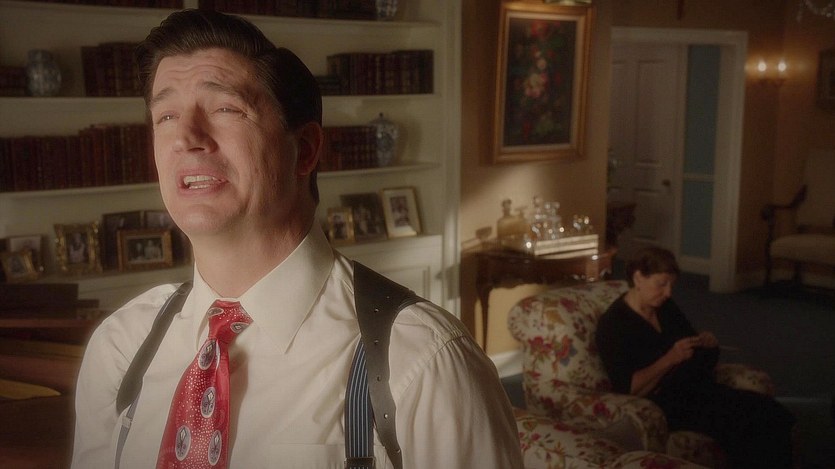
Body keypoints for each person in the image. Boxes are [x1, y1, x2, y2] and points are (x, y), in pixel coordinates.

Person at [71, 9, 523, 469]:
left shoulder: (422, 361)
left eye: (225, 109)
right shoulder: (121, 347)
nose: (186, 138)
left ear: (304, 150)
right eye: (166, 115)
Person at [595, 246, 796, 469]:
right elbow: (629, 388)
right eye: (662, 284)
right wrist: (670, 358)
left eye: (671, 285)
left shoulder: (664, 306)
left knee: (771, 413)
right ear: (638, 278)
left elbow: (690, 340)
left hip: (694, 388)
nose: (668, 293)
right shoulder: (614, 324)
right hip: (666, 404)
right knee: (746, 426)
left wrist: (704, 341)